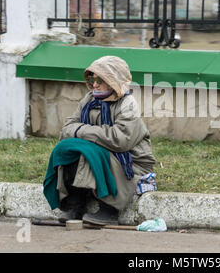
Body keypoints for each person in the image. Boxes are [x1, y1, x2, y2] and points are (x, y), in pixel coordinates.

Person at [56, 55, 155, 225]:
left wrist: (82, 131)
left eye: (100, 80)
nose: (95, 84)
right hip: (101, 151)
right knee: (69, 150)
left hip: (129, 159)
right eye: (93, 79)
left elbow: (120, 140)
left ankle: (109, 210)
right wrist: (87, 135)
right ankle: (75, 205)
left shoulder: (127, 104)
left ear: (114, 81)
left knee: (91, 151)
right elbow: (66, 129)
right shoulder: (89, 99)